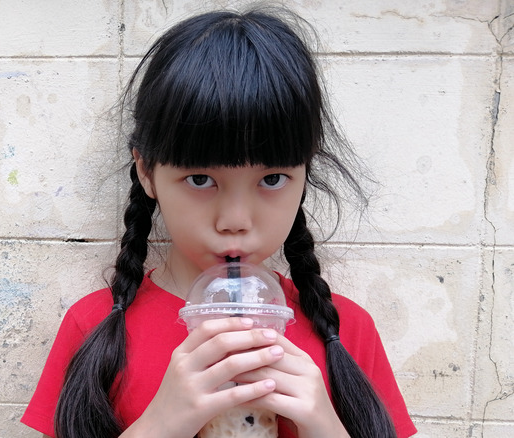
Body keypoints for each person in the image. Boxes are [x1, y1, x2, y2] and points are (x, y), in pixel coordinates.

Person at [21, 5, 417, 438]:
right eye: (200, 178)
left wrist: (325, 427)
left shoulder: (345, 329)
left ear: (305, 173)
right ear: (147, 172)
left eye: (272, 178)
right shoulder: (95, 326)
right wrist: (159, 425)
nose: (235, 220)